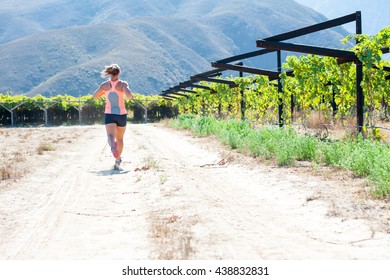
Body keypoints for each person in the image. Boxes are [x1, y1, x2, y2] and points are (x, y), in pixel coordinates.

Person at [93, 64, 134, 170]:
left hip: (109, 114)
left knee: (110, 136)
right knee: (120, 139)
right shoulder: (123, 84)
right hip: (121, 114)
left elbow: (94, 96)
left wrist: (103, 92)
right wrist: (128, 93)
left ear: (109, 73)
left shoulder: (104, 85)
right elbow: (129, 96)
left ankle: (112, 147)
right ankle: (117, 160)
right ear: (119, 73)